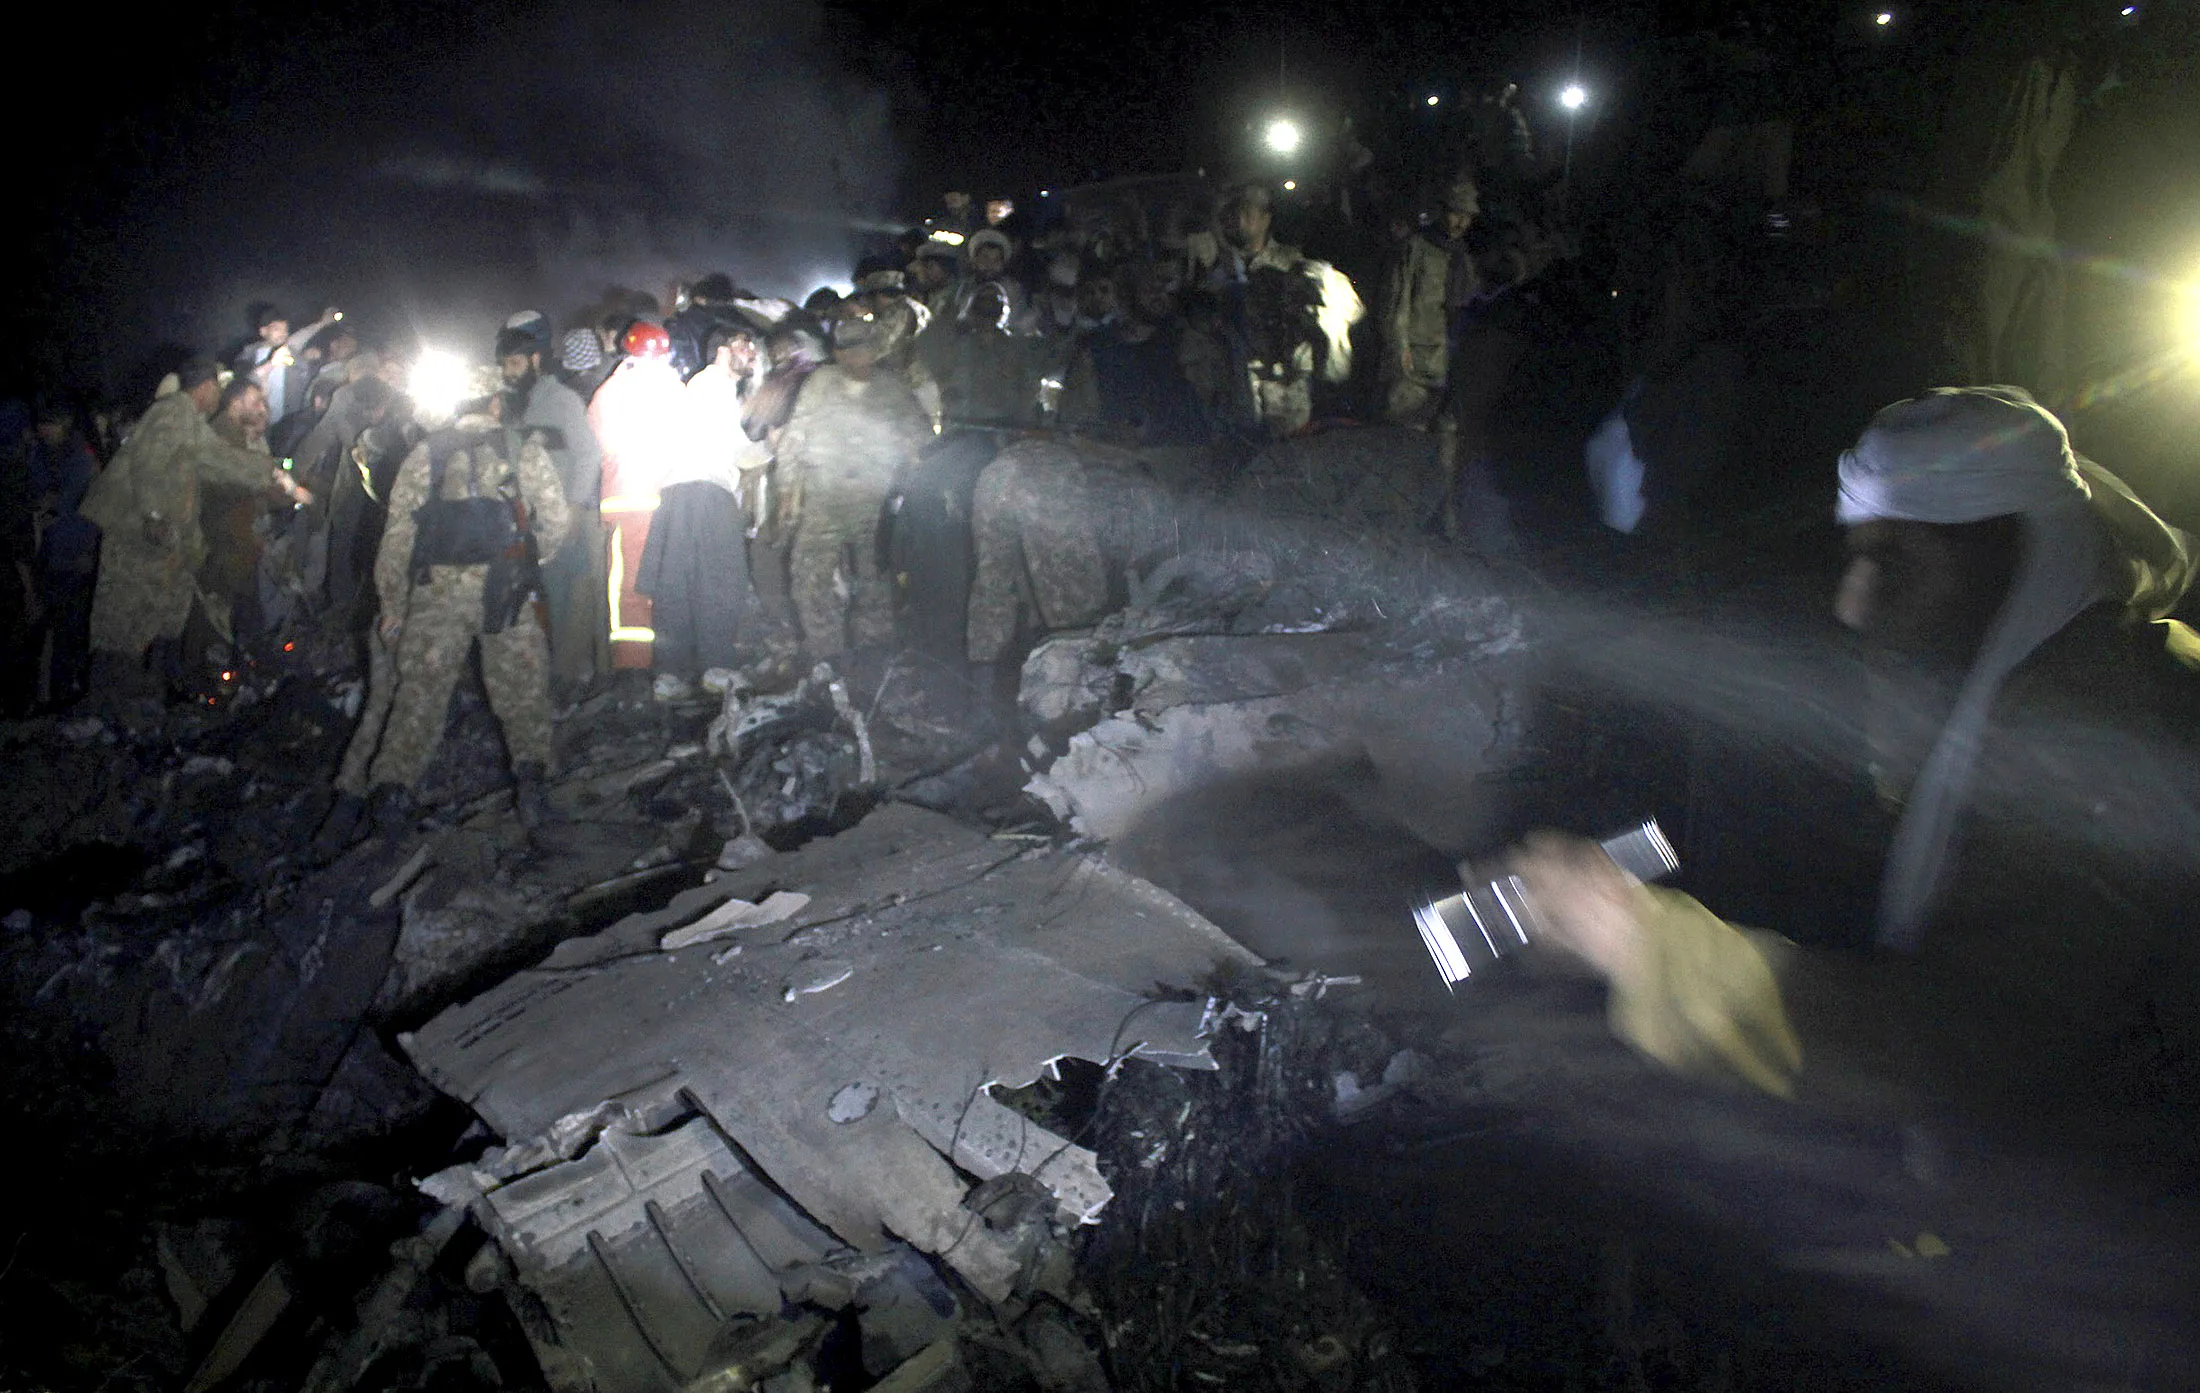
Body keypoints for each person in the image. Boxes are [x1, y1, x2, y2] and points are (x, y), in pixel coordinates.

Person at [1504, 387, 2198, 1110]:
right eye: (1856, 560)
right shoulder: (2057, 674)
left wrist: (1637, 941)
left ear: (2021, 556)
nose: (1852, 606)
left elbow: (1958, 1049)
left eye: (1895, 564)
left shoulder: (2109, 735)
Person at [320, 373, 571, 845]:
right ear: (495, 403)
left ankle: (391, 798)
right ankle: (533, 788)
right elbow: (556, 519)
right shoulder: (522, 450)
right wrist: (531, 560)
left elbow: (397, 537)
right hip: (506, 591)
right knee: (522, 694)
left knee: (420, 696)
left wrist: (393, 603)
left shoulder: (426, 453)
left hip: (437, 595)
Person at [79, 361, 305, 692]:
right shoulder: (173, 411)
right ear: (206, 387)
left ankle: (140, 702)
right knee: (122, 626)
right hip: (135, 541)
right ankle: (111, 704)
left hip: (156, 548)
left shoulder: (189, 423)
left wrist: (271, 473)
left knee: (149, 625)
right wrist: (155, 516)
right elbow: (150, 460)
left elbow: (218, 460)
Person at [775, 312, 929, 660]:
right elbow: (794, 438)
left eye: (862, 349)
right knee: (808, 577)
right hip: (824, 500)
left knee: (875, 579)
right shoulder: (820, 383)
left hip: (874, 502)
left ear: (874, 351)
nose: (854, 357)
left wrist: (915, 486)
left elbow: (920, 441)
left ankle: (874, 648)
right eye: (846, 349)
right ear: (837, 352)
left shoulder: (893, 389)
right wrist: (786, 491)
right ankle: (825, 652)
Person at [639, 323, 767, 698]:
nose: (753, 353)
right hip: (708, 492)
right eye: (746, 343)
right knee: (720, 580)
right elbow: (738, 450)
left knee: (676, 583)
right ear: (723, 350)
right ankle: (716, 668)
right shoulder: (715, 387)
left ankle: (670, 674)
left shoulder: (700, 386)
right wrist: (775, 447)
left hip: (678, 492)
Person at [500, 325, 610, 699]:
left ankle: (572, 676)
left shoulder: (561, 400)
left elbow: (588, 454)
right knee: (546, 594)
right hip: (533, 520)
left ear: (535, 360)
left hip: (567, 513)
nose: (508, 371)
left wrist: (576, 507)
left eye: (515, 362)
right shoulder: (517, 406)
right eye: (504, 364)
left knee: (572, 593)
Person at [1212, 184, 1362, 436]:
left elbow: (1350, 308)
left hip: (1284, 388)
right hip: (1231, 394)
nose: (1237, 220)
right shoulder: (1215, 273)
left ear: (1266, 217)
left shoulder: (1294, 266)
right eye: (1231, 212)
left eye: (1246, 211)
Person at [588, 322, 687, 669]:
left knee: (628, 588)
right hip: (671, 503)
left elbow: (599, 444)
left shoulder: (610, 391)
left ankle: (632, 671)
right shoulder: (676, 389)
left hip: (627, 501)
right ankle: (671, 666)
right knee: (670, 583)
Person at [1382, 180, 1479, 425]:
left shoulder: (1463, 256)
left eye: (1466, 216)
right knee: (1406, 429)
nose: (1460, 222)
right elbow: (1398, 300)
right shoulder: (1416, 247)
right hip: (1416, 360)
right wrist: (1399, 349)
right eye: (1455, 213)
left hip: (1449, 360)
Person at [28, 400, 102, 704]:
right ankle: (51, 692)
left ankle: (69, 690)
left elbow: (90, 512)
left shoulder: (82, 460)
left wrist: (89, 551)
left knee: (72, 626)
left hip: (75, 553)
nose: (44, 429)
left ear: (64, 422)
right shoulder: (43, 454)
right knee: (51, 624)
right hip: (48, 553)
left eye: (50, 423)